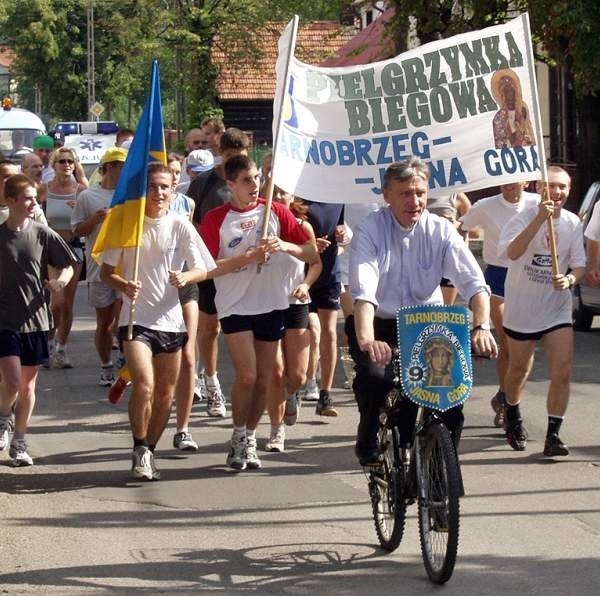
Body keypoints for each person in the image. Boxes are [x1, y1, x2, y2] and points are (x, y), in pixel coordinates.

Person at [348, 157, 497, 467]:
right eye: (405, 193)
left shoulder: (441, 230)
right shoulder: (371, 229)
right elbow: (364, 290)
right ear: (386, 196)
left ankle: (439, 473)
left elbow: (474, 284)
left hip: (426, 326)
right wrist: (367, 340)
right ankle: (369, 433)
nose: (414, 201)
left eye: (419, 192)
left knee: (451, 403)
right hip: (379, 324)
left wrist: (482, 326)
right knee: (376, 379)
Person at [200, 155, 318, 471]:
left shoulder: (275, 211)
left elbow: (310, 252)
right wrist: (247, 257)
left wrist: (284, 245)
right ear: (231, 184)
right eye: (247, 180)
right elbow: (206, 269)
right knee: (248, 375)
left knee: (266, 380)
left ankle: (250, 435)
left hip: (272, 303)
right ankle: (238, 434)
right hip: (235, 305)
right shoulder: (216, 219)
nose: (255, 186)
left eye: (256, 178)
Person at [99, 163, 215, 480]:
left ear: (172, 190)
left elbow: (203, 268)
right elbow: (105, 273)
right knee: (146, 386)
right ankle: (138, 448)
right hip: (136, 320)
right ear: (143, 190)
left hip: (172, 322)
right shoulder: (127, 225)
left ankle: (150, 449)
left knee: (166, 394)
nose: (159, 192)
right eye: (153, 186)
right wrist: (123, 285)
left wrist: (185, 276)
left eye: (165, 186)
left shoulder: (180, 225)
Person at [499, 166, 585, 456]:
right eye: (550, 186)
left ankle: (553, 435)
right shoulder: (521, 217)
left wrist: (570, 278)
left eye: (562, 187)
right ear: (539, 188)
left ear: (568, 190)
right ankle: (511, 412)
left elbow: (580, 264)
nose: (556, 192)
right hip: (522, 308)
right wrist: (538, 219)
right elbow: (511, 253)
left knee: (563, 370)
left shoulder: (573, 223)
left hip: (556, 310)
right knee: (519, 369)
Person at [0, 175, 76, 466]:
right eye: (28, 198)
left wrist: (61, 282)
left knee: (28, 388)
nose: (34, 203)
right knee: (11, 380)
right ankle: (4, 417)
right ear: (10, 201)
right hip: (4, 320)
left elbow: (67, 264)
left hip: (36, 319)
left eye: (35, 197)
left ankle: (19, 441)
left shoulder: (42, 233)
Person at [459, 182, 538, 427]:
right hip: (498, 278)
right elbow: (462, 227)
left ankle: (508, 397)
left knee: (525, 347)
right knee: (507, 341)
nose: (508, 182)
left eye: (515, 177)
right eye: (504, 177)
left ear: (526, 181)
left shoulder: (537, 203)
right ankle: (507, 404)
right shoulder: (485, 206)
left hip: (528, 276)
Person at [187, 128, 251, 416]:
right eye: (230, 157)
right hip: (213, 267)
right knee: (210, 328)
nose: (236, 161)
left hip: (247, 269)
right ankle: (212, 385)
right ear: (220, 153)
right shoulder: (204, 183)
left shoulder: (252, 182)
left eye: (241, 156)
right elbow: (190, 221)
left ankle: (252, 386)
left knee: (246, 331)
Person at [265, 189, 322, 453]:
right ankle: (277, 431)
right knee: (275, 373)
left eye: (283, 193)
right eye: (272, 191)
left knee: (297, 375)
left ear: (292, 197)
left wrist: (306, 285)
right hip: (265, 304)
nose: (278, 196)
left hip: (295, 302)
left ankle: (293, 393)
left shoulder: (301, 226)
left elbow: (315, 263)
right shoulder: (259, 223)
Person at [71, 147, 127, 386]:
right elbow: (76, 230)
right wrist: (95, 219)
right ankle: (105, 365)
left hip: (126, 266)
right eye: (120, 165)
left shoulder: (130, 195)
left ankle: (125, 359)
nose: (124, 169)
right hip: (98, 266)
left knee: (124, 318)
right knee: (105, 323)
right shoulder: (88, 196)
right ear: (109, 167)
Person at [300, 199, 350, 416]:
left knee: (329, 332)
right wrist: (309, 246)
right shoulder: (297, 196)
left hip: (329, 273)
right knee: (309, 330)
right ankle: (297, 384)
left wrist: (343, 234)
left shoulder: (336, 197)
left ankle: (325, 394)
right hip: (299, 276)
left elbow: (342, 233)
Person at [44, 147, 87, 368]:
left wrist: (79, 209)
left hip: (73, 248)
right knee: (56, 301)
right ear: (54, 165)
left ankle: (62, 348)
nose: (67, 164)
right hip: (51, 249)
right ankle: (48, 343)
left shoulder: (80, 191)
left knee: (67, 304)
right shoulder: (45, 189)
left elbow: (91, 216)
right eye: (62, 161)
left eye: (71, 161)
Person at [426, 192, 472, 305]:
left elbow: (475, 231)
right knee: (422, 309)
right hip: (423, 259)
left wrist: (452, 225)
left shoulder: (456, 196)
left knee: (445, 310)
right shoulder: (416, 196)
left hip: (450, 259)